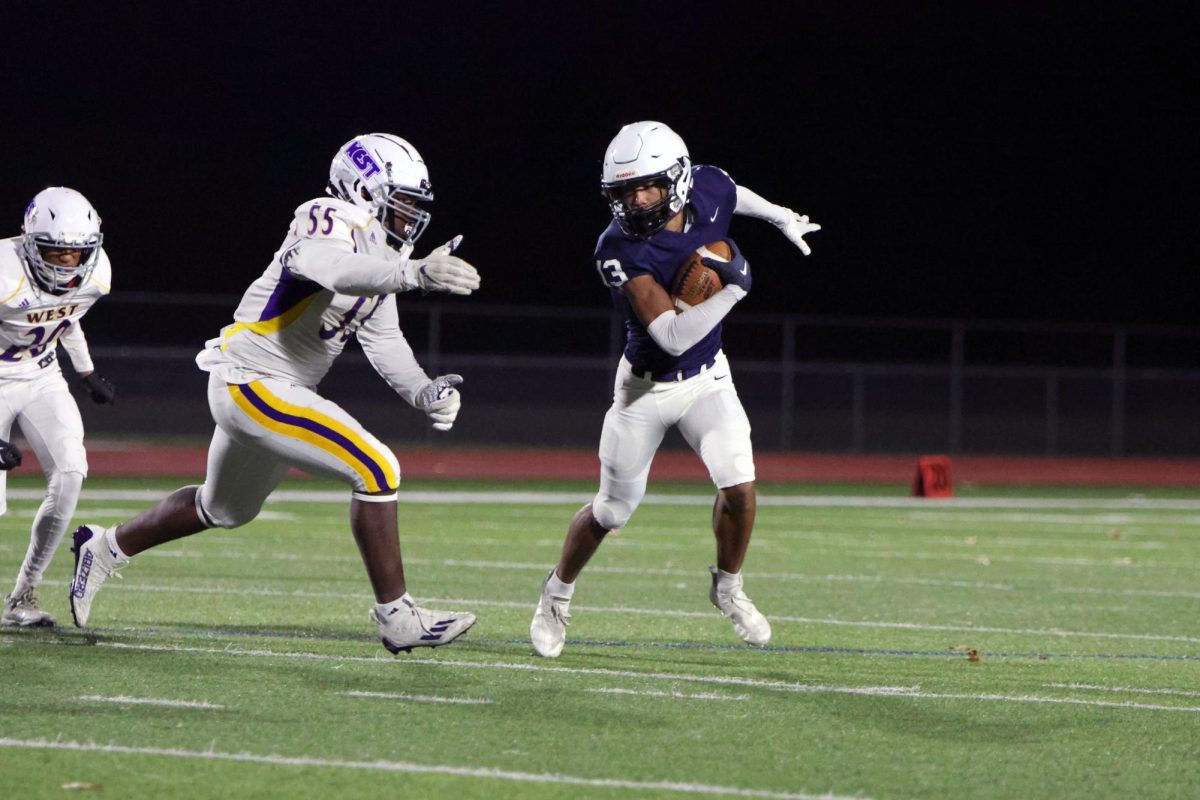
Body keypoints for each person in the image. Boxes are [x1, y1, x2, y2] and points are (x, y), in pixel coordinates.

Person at [69, 133, 481, 653]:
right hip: (253, 379)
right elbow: (332, 269)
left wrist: (423, 390)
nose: (410, 217)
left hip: (277, 388)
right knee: (377, 469)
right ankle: (397, 617)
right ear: (363, 189)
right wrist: (410, 273)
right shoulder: (326, 215)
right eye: (400, 201)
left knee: (224, 509)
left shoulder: (383, 253)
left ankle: (104, 548)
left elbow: (383, 337)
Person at [530, 121, 821, 657]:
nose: (636, 201)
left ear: (678, 181)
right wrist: (736, 287)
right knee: (611, 511)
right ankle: (555, 594)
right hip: (644, 390)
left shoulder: (706, 187)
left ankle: (728, 588)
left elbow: (733, 192)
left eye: (647, 187)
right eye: (624, 191)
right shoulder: (618, 249)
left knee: (740, 487)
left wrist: (781, 218)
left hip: (709, 377)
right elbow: (667, 335)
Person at [1, 187, 117, 628]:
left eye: (76, 253)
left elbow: (67, 317)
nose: (67, 263)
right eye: (55, 251)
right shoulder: (4, 272)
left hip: (42, 375)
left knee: (70, 474)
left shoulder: (97, 272)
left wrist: (86, 374)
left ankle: (22, 596)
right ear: (29, 241)